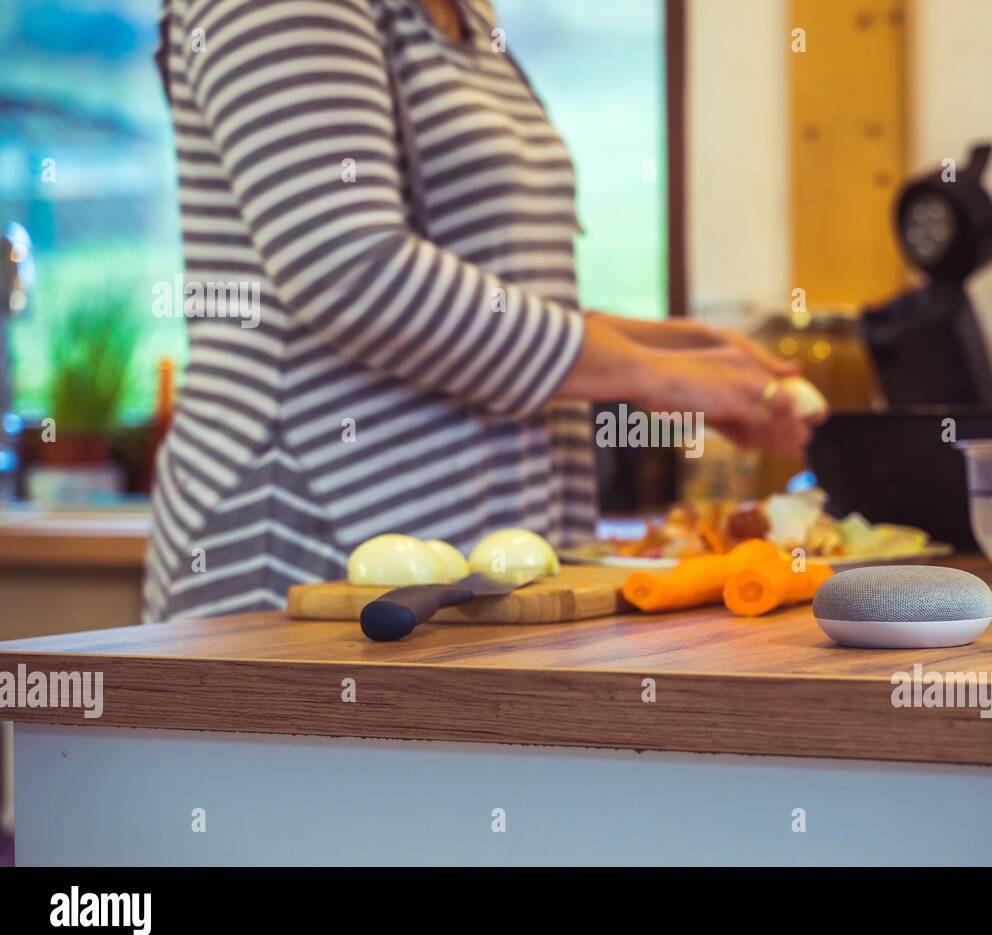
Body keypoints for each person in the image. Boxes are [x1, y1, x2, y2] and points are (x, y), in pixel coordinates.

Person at [145, 0, 812, 621]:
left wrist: (668, 352)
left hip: (459, 560)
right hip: (305, 541)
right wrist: (648, 375)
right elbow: (349, 269)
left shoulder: (464, 10)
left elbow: (489, 293)